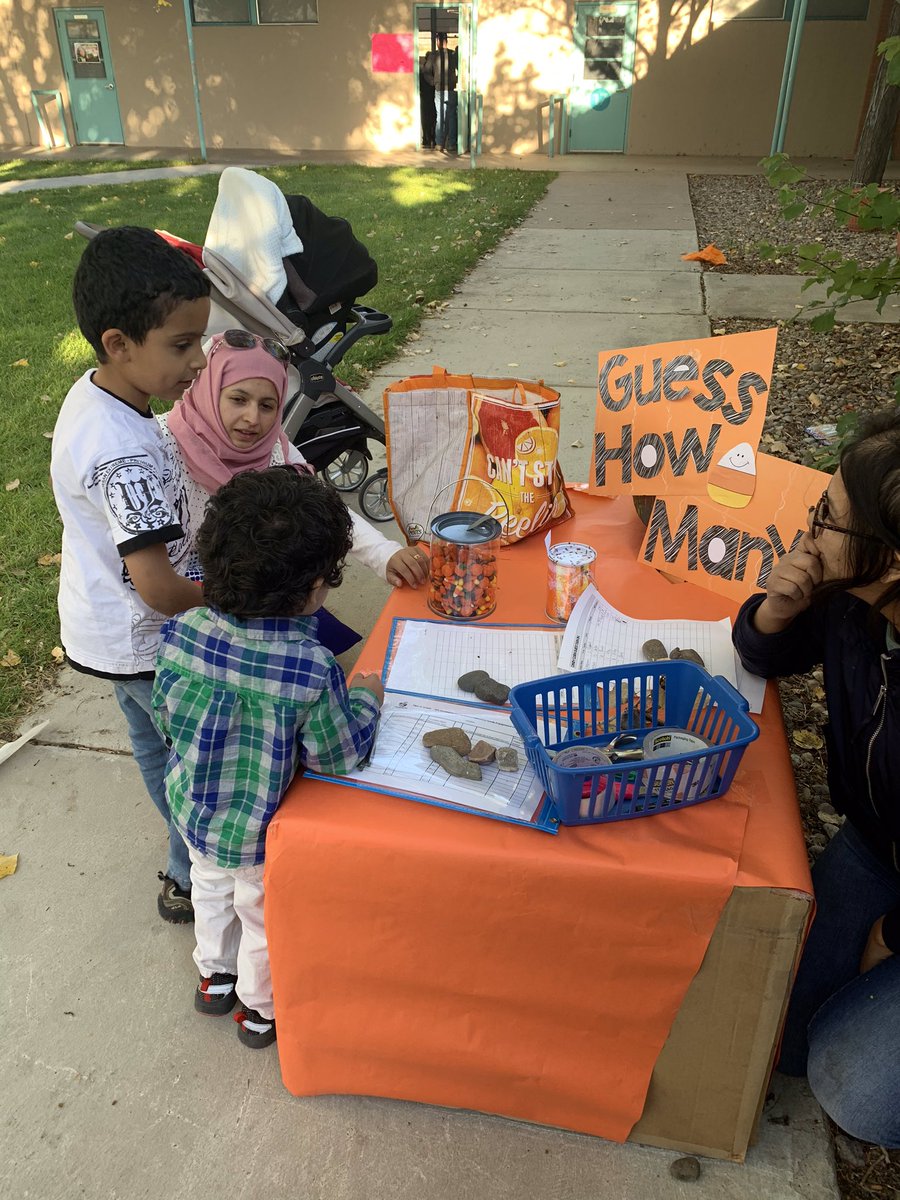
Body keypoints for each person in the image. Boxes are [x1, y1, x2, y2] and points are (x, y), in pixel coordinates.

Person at [152, 467, 384, 1048]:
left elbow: (164, 716)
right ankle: (259, 1011)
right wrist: (367, 698)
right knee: (262, 921)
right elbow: (338, 755)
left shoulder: (181, 632)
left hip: (194, 815)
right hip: (259, 836)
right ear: (313, 587)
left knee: (209, 894)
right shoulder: (309, 668)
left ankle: (213, 976)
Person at [732, 407, 900, 1150]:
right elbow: (768, 655)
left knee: (855, 1093)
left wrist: (891, 936)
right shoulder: (855, 605)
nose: (809, 529)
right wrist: (773, 614)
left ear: (891, 560)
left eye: (828, 519)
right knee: (777, 1032)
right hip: (876, 842)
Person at [50, 226, 211, 923]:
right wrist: (248, 596)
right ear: (119, 343)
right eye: (182, 345)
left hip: (109, 633)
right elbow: (163, 589)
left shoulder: (103, 395)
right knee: (200, 760)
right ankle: (206, 873)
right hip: (146, 640)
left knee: (155, 749)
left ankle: (183, 870)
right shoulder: (119, 453)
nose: (199, 360)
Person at [156, 329, 428, 644]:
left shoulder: (273, 448)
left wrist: (384, 553)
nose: (252, 418)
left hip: (255, 592)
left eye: (267, 405)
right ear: (207, 389)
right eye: (238, 399)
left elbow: (319, 510)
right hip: (180, 607)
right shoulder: (160, 447)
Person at [423, 32, 458, 155]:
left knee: (440, 117)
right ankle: (452, 144)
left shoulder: (433, 56)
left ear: (438, 41)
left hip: (439, 90)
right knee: (452, 117)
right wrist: (456, 80)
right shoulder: (453, 55)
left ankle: (439, 143)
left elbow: (426, 72)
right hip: (452, 90)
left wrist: (434, 82)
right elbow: (461, 69)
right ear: (446, 41)